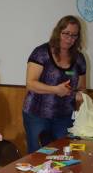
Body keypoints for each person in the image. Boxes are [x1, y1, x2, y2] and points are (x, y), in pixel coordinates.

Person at [22, 15, 86, 153]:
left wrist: (80, 95)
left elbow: (81, 88)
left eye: (74, 36)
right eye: (66, 34)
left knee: (63, 154)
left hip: (64, 116)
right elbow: (30, 83)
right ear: (58, 32)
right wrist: (55, 90)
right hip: (37, 115)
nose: (69, 39)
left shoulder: (79, 58)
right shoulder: (41, 53)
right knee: (37, 155)